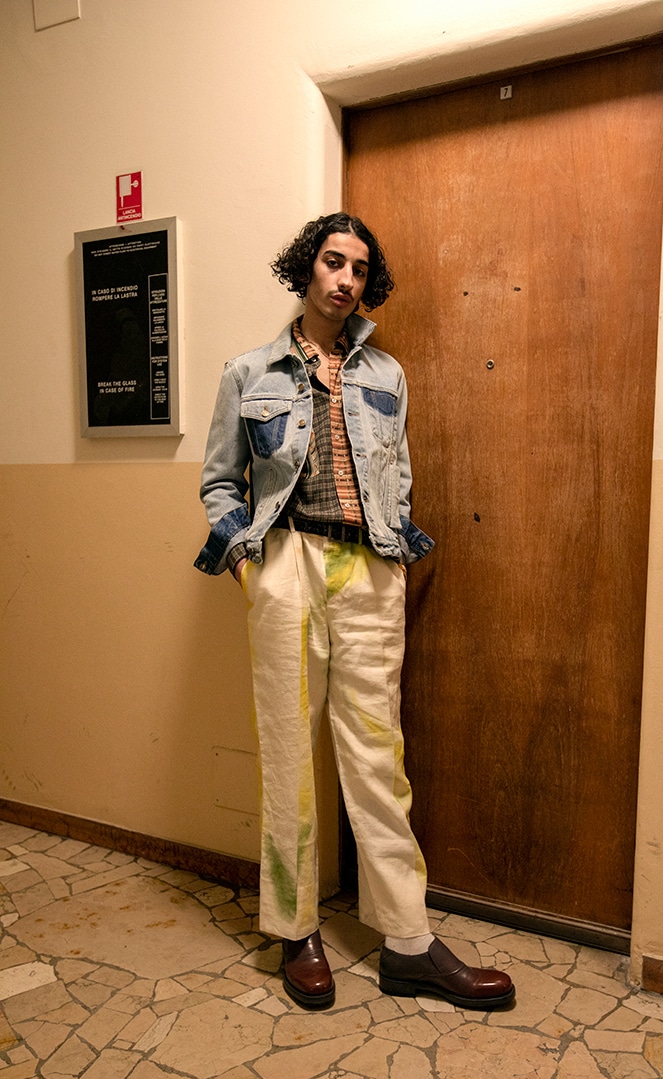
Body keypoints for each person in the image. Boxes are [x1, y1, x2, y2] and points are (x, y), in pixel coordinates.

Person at [195, 212, 514, 1011]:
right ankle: (295, 929)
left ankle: (407, 941)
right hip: (287, 565)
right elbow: (220, 483)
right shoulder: (248, 372)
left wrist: (392, 554)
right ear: (306, 268)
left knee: (379, 758)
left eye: (360, 269)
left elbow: (396, 478)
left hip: (368, 569)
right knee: (288, 754)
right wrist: (248, 565)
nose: (345, 279)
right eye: (333, 262)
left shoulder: (387, 375)